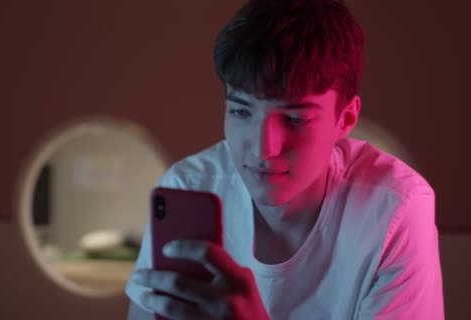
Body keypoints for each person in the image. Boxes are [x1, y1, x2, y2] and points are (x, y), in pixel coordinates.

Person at [125, 0, 444, 318]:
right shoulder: (189, 187)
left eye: (294, 120)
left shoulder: (394, 209)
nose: (264, 150)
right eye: (240, 111)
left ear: (345, 119)